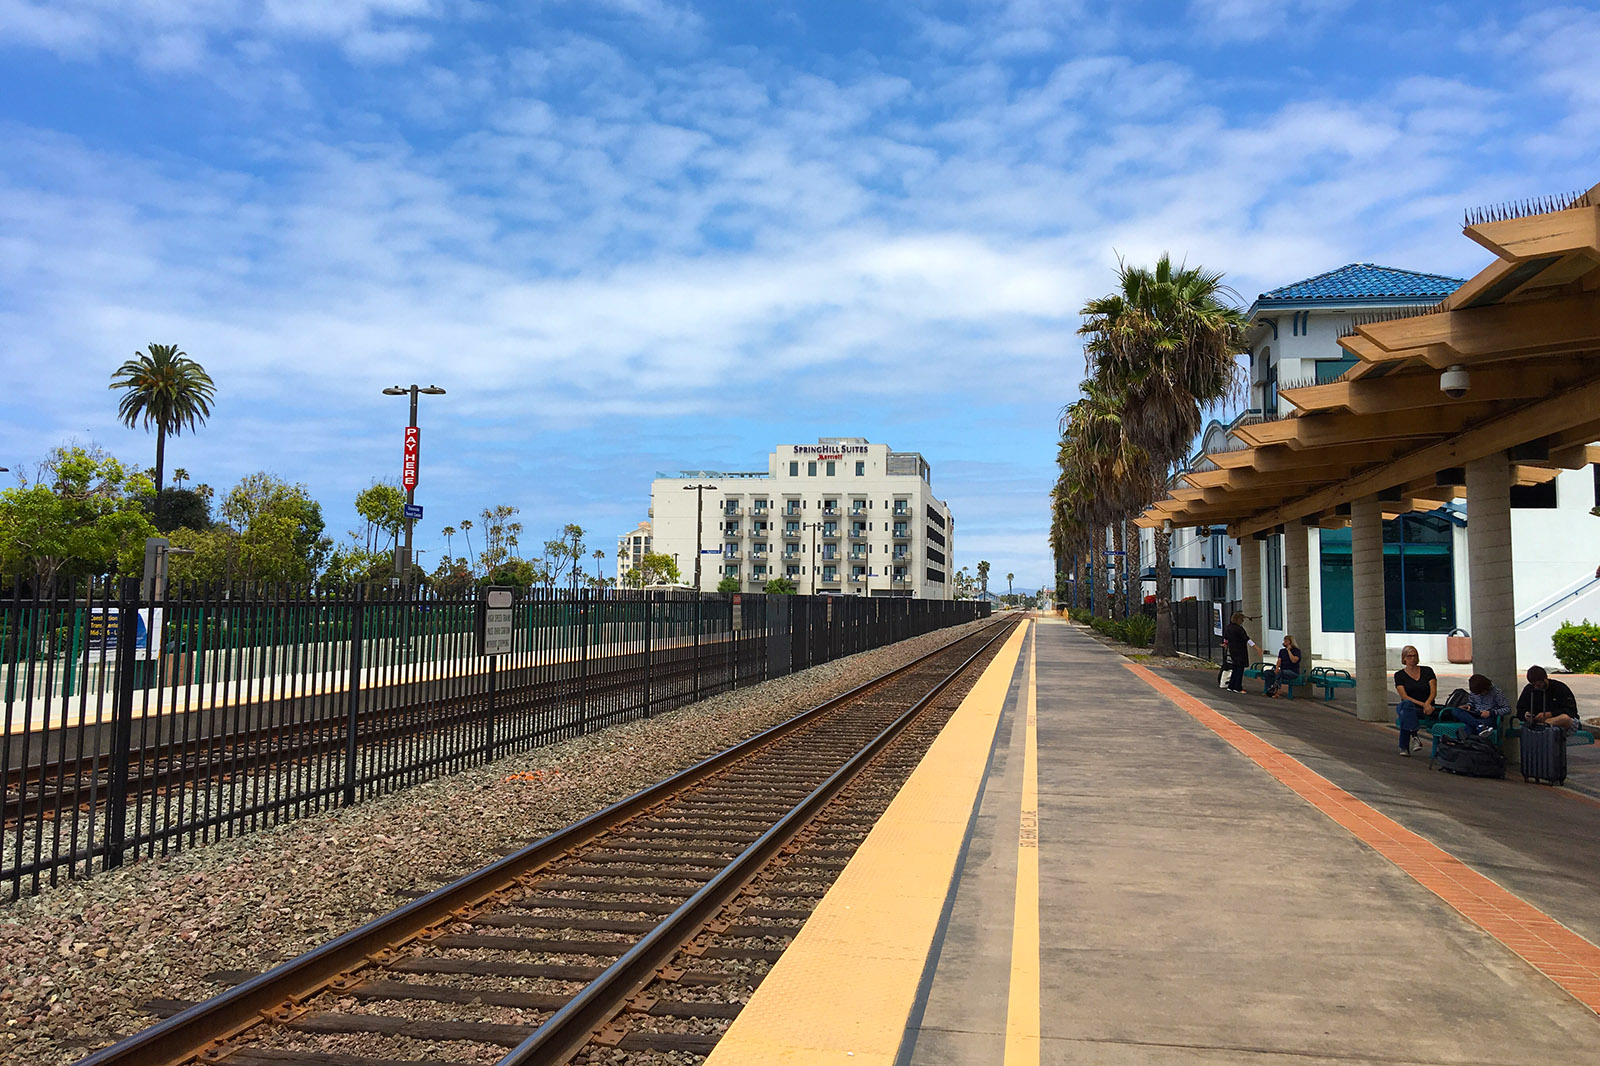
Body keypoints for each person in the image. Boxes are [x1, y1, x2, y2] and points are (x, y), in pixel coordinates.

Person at [1393, 645, 1436, 756]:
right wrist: (1423, 704)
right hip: (1411, 706)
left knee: (1404, 714)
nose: (1412, 659)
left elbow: (1433, 691)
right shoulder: (1399, 675)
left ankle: (1404, 746)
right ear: (1404, 658)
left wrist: (1427, 704)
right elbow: (1404, 696)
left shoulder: (1427, 671)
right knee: (1406, 705)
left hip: (1427, 708)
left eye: (1415, 656)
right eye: (1409, 656)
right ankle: (1414, 736)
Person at [1517, 665, 1581, 734]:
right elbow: (1520, 708)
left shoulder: (1560, 688)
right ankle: (1540, 727)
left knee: (1564, 718)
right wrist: (1526, 714)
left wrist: (1550, 714)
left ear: (1545, 679)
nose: (1536, 688)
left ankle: (1541, 727)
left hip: (1559, 721)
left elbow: (1571, 710)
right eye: (1533, 685)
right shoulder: (1529, 689)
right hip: (1537, 721)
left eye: (1538, 685)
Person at [1445, 673, 1512, 737]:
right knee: (1455, 711)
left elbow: (1507, 709)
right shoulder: (1475, 692)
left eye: (1481, 693)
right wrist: (1469, 706)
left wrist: (1491, 713)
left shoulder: (1496, 693)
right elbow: (1471, 702)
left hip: (1489, 717)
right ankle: (1480, 726)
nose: (1479, 695)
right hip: (1476, 714)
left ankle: (1465, 742)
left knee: (1469, 727)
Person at [1221, 611, 1254, 693]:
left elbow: (1226, 638)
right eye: (1242, 620)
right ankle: (1237, 687)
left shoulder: (1229, 627)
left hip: (1232, 650)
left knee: (1235, 668)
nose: (1242, 621)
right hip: (1240, 651)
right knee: (1239, 669)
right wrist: (1256, 647)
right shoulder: (1239, 629)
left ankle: (1231, 686)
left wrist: (1225, 644)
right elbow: (1246, 639)